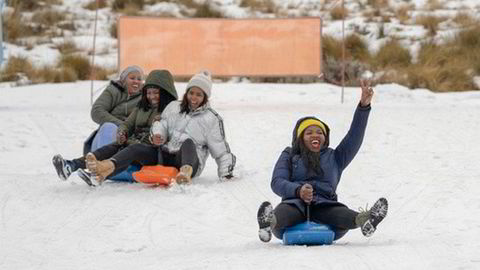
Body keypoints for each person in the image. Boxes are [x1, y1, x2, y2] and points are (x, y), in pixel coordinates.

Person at [256, 80, 388, 243]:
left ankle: (366, 220)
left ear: (325, 138)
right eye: (309, 132)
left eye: (320, 132)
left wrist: (363, 107)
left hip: (325, 206)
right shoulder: (289, 155)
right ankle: (268, 223)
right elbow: (277, 182)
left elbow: (355, 136)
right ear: (300, 139)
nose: (315, 135)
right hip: (294, 204)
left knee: (340, 213)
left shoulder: (336, 157)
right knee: (284, 213)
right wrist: (298, 191)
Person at [52, 69, 178, 185]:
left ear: (166, 91)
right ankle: (71, 166)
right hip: (134, 143)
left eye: (156, 93)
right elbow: (128, 124)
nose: (151, 96)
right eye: (149, 93)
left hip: (154, 151)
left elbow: (170, 133)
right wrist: (123, 133)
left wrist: (158, 138)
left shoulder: (171, 110)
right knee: (111, 147)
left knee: (132, 149)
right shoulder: (142, 106)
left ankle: (100, 173)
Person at [150, 70, 236, 184]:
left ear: (205, 97)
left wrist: (226, 173)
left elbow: (220, 148)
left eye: (199, 94)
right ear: (187, 93)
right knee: (136, 148)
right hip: (168, 157)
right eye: (191, 93)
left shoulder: (211, 119)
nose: (193, 98)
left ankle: (185, 172)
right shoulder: (174, 107)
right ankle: (117, 164)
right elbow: (162, 124)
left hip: (191, 163)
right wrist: (158, 134)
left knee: (188, 143)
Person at [88, 65, 144, 152]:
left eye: (139, 79)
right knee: (109, 127)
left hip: (130, 139)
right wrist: (122, 125)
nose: (136, 81)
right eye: (132, 78)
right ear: (123, 79)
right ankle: (102, 161)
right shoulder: (113, 90)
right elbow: (96, 111)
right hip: (106, 138)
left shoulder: (145, 96)